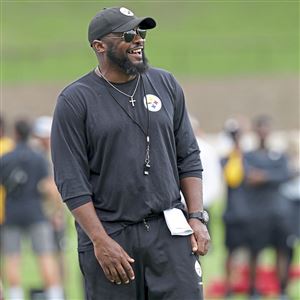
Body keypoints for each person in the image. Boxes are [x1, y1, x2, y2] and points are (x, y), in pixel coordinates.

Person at [51, 6, 210, 300]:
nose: (138, 39)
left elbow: (188, 156)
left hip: (169, 230)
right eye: (128, 34)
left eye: (141, 32)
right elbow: (71, 182)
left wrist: (197, 217)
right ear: (99, 46)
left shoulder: (166, 84)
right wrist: (99, 240)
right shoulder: (75, 100)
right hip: (112, 236)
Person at [0, 119, 64, 300]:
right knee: (45, 257)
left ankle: (15, 297)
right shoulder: (38, 157)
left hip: (11, 213)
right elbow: (49, 188)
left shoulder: (5, 158)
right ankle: (54, 296)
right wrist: (56, 211)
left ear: (16, 134)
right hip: (36, 213)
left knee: (12, 259)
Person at [244, 115, 292, 300]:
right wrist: (272, 175)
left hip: (279, 212)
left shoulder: (279, 155)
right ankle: (253, 291)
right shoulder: (248, 156)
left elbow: (286, 174)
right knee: (255, 251)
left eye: (267, 128)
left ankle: (282, 291)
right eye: (260, 128)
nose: (264, 131)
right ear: (255, 131)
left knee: (282, 251)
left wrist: (264, 176)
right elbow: (248, 176)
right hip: (257, 213)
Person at [33, 116, 67, 284]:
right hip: (41, 213)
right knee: (46, 253)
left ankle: (61, 290)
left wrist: (57, 213)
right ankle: (55, 289)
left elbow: (53, 189)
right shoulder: (38, 155)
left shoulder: (56, 155)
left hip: (53, 212)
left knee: (58, 252)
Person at [220, 118, 251, 297]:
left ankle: (246, 284)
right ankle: (230, 287)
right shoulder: (227, 159)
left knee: (250, 252)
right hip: (233, 212)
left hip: (249, 211)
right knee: (231, 252)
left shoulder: (247, 157)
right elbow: (233, 179)